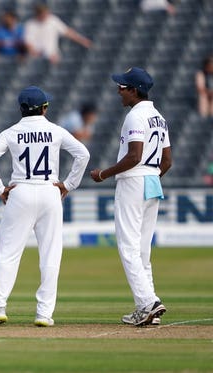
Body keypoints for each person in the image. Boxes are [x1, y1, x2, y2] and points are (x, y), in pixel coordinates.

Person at [0, 86, 90, 327]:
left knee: (7, 254)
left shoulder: (12, 131)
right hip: (50, 191)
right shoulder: (55, 130)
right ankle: (44, 313)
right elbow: (83, 154)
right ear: (45, 108)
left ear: (21, 109)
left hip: (20, 192)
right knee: (50, 255)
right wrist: (68, 184)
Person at [90, 67, 171, 326]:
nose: (119, 91)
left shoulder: (135, 117)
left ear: (135, 91)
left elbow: (134, 156)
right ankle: (146, 307)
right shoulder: (159, 117)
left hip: (134, 179)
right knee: (142, 249)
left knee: (128, 246)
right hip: (152, 180)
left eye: (123, 87)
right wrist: (151, 179)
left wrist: (104, 173)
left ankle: (149, 302)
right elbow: (167, 161)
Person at [23, 3, 92, 65]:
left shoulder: (53, 21)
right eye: (42, 14)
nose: (45, 15)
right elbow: (28, 43)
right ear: (38, 14)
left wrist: (83, 41)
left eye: (46, 13)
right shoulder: (30, 25)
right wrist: (34, 53)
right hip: (37, 57)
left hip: (52, 55)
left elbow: (67, 32)